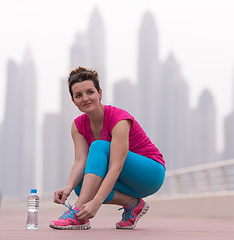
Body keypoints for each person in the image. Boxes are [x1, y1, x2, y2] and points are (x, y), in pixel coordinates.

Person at [49, 66, 165, 230]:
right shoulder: (78, 126)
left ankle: (77, 214)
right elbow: (81, 161)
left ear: (100, 93)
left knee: (99, 146)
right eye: (78, 95)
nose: (85, 98)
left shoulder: (119, 120)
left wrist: (96, 203)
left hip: (150, 174)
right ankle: (133, 204)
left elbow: (116, 165)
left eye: (90, 92)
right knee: (81, 186)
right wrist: (68, 187)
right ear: (73, 100)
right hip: (125, 178)